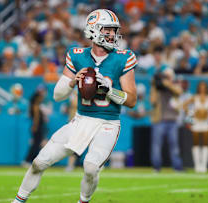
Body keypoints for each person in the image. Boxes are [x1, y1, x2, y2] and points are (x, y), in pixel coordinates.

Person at [12, 9, 137, 203]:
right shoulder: (77, 55)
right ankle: (18, 201)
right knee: (39, 161)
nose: (113, 34)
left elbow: (131, 100)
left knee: (90, 167)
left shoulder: (124, 57)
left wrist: (109, 90)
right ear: (93, 30)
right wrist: (72, 83)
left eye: (114, 30)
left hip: (107, 123)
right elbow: (57, 95)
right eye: (108, 30)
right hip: (80, 120)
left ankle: (83, 201)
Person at [183, 81, 208, 173]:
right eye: (200, 87)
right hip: (196, 122)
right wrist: (191, 113)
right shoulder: (194, 97)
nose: (202, 89)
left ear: (206, 88)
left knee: (205, 143)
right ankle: (197, 165)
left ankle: (204, 165)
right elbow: (184, 105)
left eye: (204, 87)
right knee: (196, 142)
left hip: (205, 122)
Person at [149, 68, 183, 172]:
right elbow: (153, 101)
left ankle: (177, 167)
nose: (165, 79)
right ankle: (156, 167)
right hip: (159, 120)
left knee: (174, 146)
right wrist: (155, 86)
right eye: (164, 76)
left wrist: (167, 84)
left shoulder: (175, 86)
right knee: (156, 145)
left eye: (168, 77)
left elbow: (179, 92)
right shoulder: (157, 88)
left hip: (172, 120)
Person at [23, 86, 47, 166]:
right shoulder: (36, 105)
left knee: (37, 144)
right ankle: (27, 160)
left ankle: (31, 160)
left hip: (38, 126)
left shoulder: (35, 106)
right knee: (35, 144)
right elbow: (36, 117)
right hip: (37, 127)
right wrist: (35, 126)